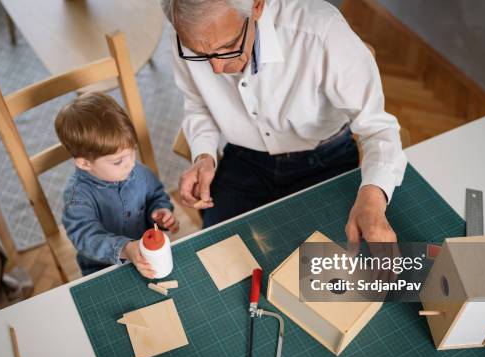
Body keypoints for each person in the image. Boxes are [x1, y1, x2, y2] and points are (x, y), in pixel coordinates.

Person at [163, 0, 407, 244]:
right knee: (216, 252)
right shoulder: (189, 39)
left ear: (256, 7)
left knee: (327, 264)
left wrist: (373, 198)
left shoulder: (321, 30)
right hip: (246, 160)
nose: (216, 68)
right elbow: (199, 106)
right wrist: (204, 156)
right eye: (200, 54)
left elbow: (377, 129)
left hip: (325, 159)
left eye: (228, 46)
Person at [55, 92, 179, 276]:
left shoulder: (136, 170)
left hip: (146, 256)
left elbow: (156, 194)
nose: (130, 163)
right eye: (118, 161)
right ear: (85, 163)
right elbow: (85, 237)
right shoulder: (77, 196)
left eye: (133, 151)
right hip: (103, 268)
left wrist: (160, 211)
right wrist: (125, 249)